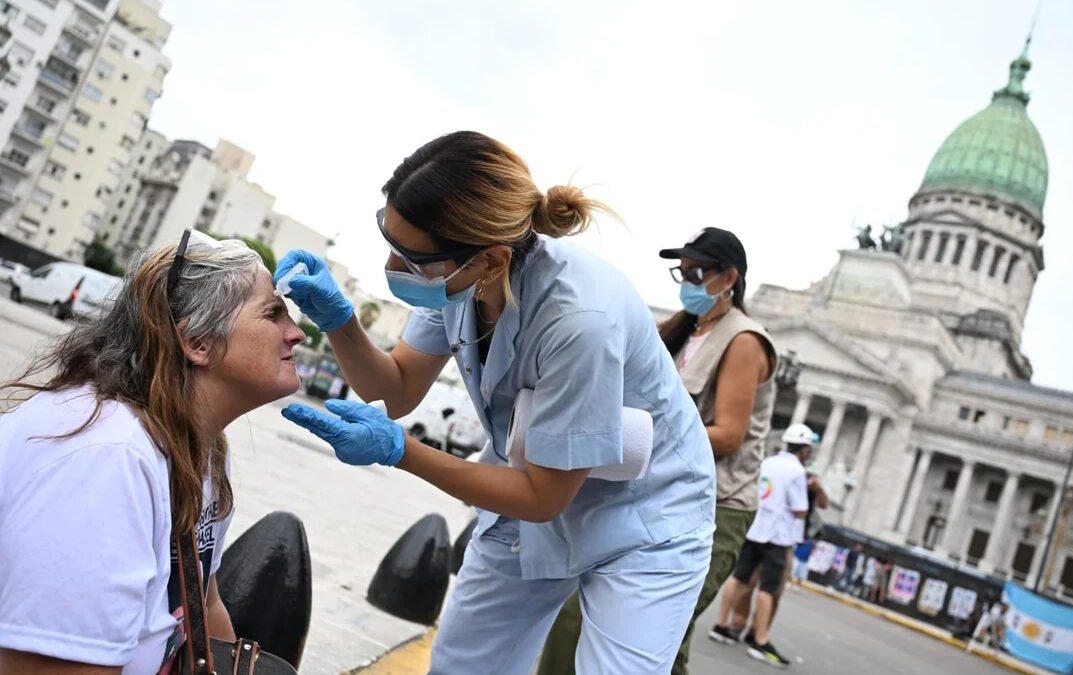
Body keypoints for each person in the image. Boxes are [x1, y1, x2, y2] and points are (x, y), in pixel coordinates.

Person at [275, 131, 717, 674]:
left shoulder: (579, 320)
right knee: (463, 664)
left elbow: (541, 496)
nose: (394, 265)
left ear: (491, 259)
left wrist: (400, 452)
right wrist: (339, 321)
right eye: (391, 241)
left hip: (645, 516)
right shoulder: (459, 281)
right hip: (533, 484)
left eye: (412, 259)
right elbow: (396, 388)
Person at [0, 232, 307, 673]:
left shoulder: (201, 449)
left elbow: (203, 600)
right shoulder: (105, 459)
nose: (295, 334)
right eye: (273, 313)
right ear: (198, 342)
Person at [536, 227, 777, 675]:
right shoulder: (681, 333)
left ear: (729, 278)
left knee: (662, 640)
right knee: (575, 617)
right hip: (651, 494)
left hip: (715, 506)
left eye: (697, 272)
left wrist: (632, 431)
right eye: (681, 272)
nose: (687, 282)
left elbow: (727, 435)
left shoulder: (744, 340)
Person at [713, 423, 816, 668]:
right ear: (805, 451)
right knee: (769, 588)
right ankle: (760, 640)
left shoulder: (768, 463)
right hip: (777, 536)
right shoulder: (796, 472)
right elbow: (801, 509)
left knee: (739, 577)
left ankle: (721, 625)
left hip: (755, 528)